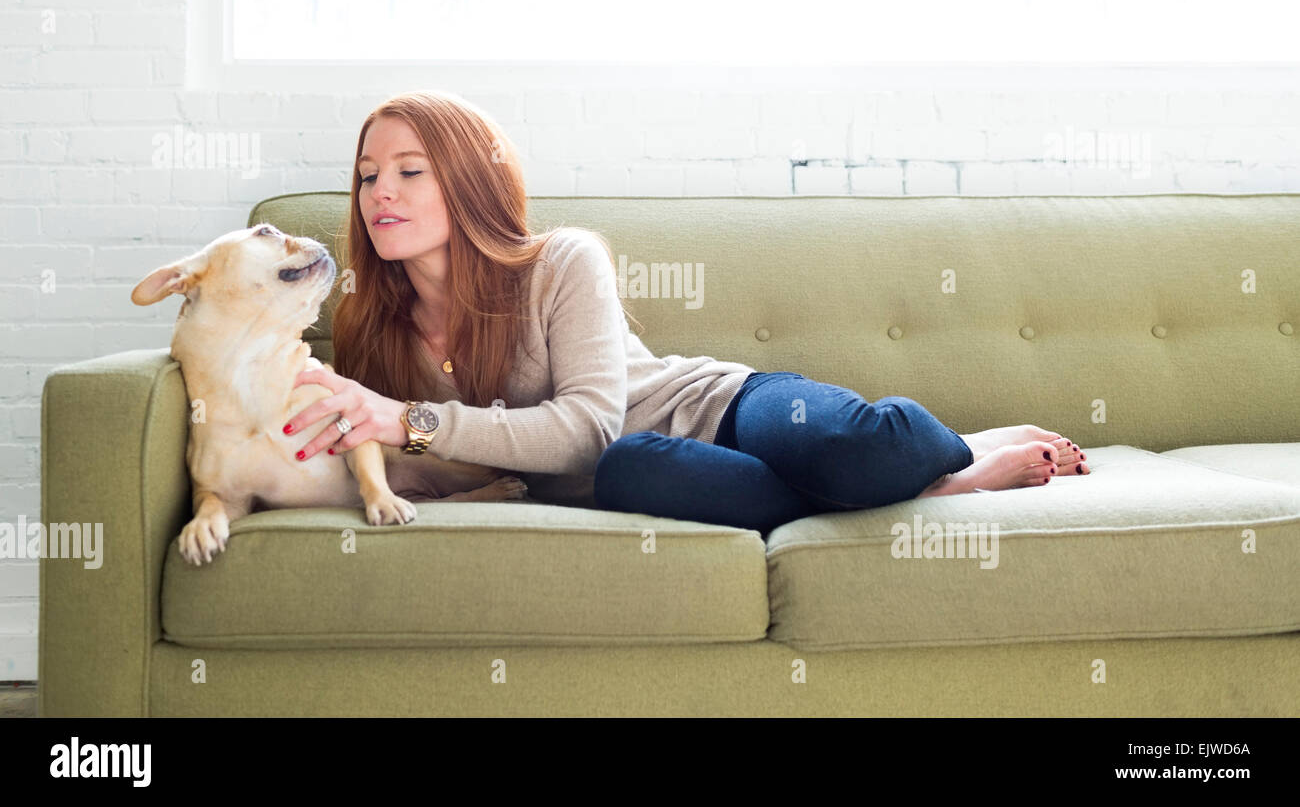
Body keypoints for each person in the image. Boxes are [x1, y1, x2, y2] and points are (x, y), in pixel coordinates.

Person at [283, 89, 1090, 535]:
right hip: (642, 473)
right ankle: (938, 492)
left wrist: (407, 421)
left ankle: (957, 451)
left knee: (850, 446)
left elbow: (583, 426)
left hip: (725, 409)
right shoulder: (368, 327)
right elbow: (416, 462)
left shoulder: (563, 260)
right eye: (366, 176)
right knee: (631, 466)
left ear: (466, 180)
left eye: (409, 170)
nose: (380, 191)